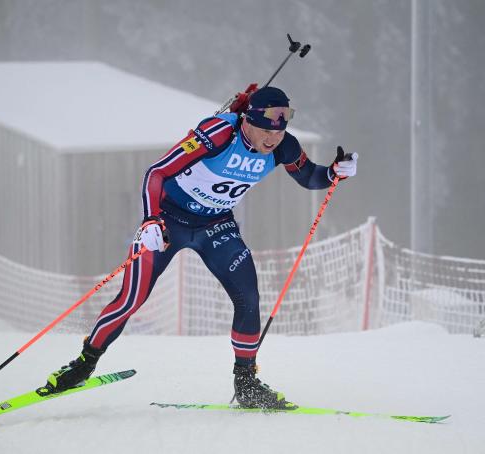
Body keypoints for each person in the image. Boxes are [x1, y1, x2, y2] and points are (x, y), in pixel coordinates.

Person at [43, 87, 358, 409]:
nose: (271, 140)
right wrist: (151, 220)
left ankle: (246, 383)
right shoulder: (218, 133)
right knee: (131, 298)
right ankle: (83, 365)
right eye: (265, 131)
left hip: (216, 224)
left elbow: (310, 177)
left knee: (248, 297)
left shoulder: (284, 146)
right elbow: (157, 172)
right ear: (247, 121)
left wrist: (335, 172)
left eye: (278, 132)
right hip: (168, 221)